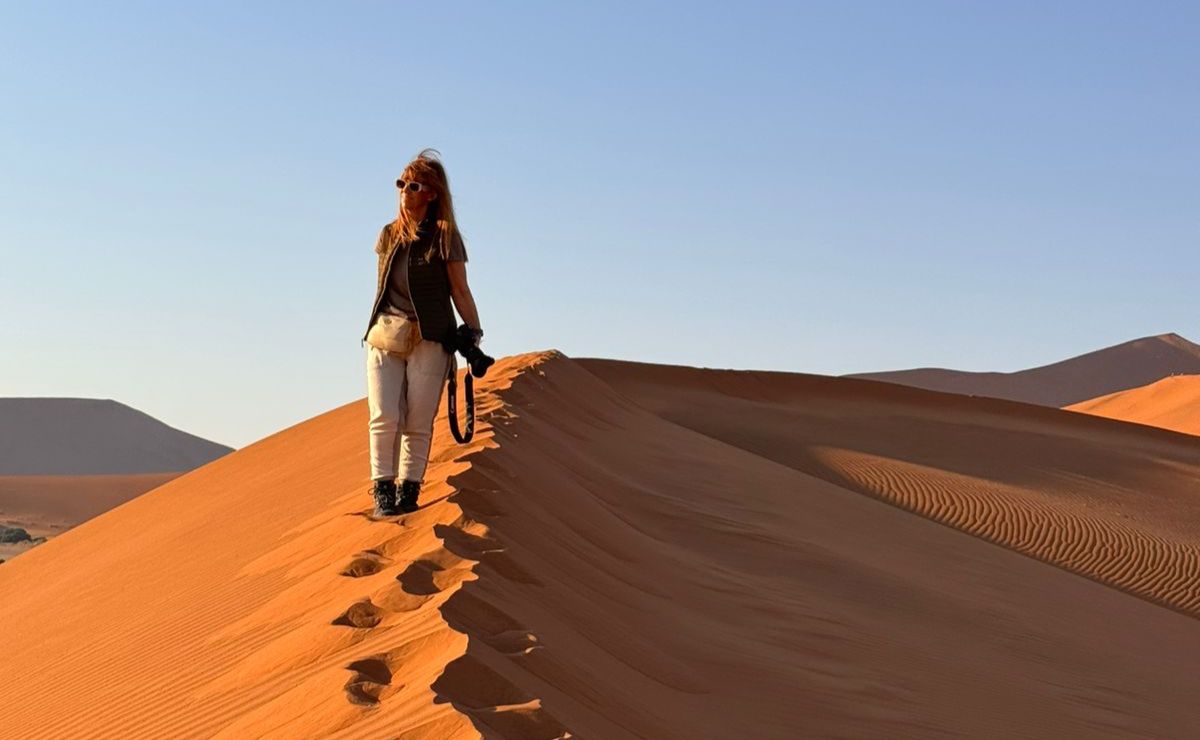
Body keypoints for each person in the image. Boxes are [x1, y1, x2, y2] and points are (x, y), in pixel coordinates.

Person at [362, 148, 483, 516]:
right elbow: (382, 286)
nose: (404, 190)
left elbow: (460, 289)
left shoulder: (446, 237)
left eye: (413, 185)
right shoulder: (387, 235)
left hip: (430, 338)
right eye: (401, 183)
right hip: (385, 335)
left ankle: (408, 493)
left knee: (417, 421)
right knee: (384, 416)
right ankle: (383, 493)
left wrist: (473, 336)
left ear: (431, 193)